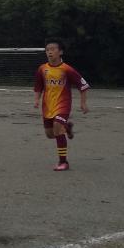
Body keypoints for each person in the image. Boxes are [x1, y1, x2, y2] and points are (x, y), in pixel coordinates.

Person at [34, 38, 89, 171]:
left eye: (53, 49)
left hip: (63, 104)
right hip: (47, 105)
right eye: (47, 50)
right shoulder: (42, 69)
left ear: (60, 52)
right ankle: (67, 128)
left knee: (57, 127)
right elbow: (38, 86)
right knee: (50, 134)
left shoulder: (67, 69)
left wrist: (83, 103)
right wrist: (36, 100)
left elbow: (83, 85)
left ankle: (63, 162)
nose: (50, 52)